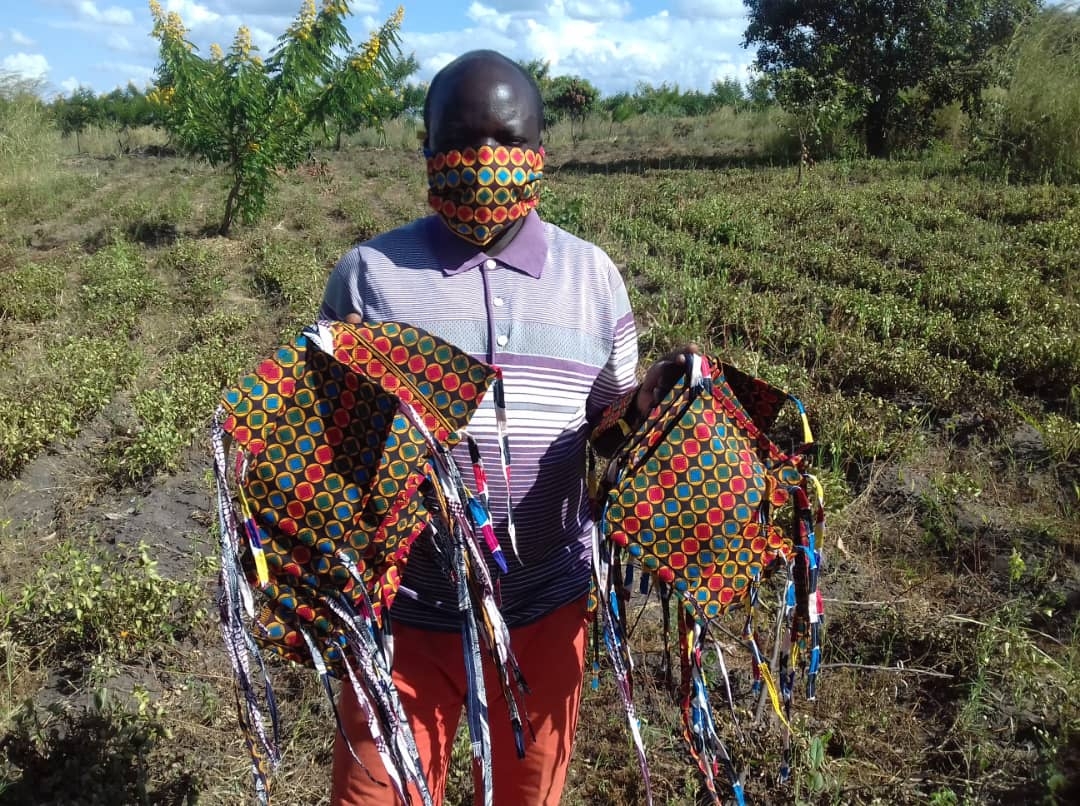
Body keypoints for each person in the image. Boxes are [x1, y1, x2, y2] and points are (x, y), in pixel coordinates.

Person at [319, 49, 677, 806]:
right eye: (459, 139)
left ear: (541, 151)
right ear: (425, 150)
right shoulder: (370, 277)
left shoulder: (592, 278)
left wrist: (643, 411)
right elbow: (335, 449)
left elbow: (602, 432)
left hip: (544, 614)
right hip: (403, 618)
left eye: (505, 139)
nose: (483, 161)